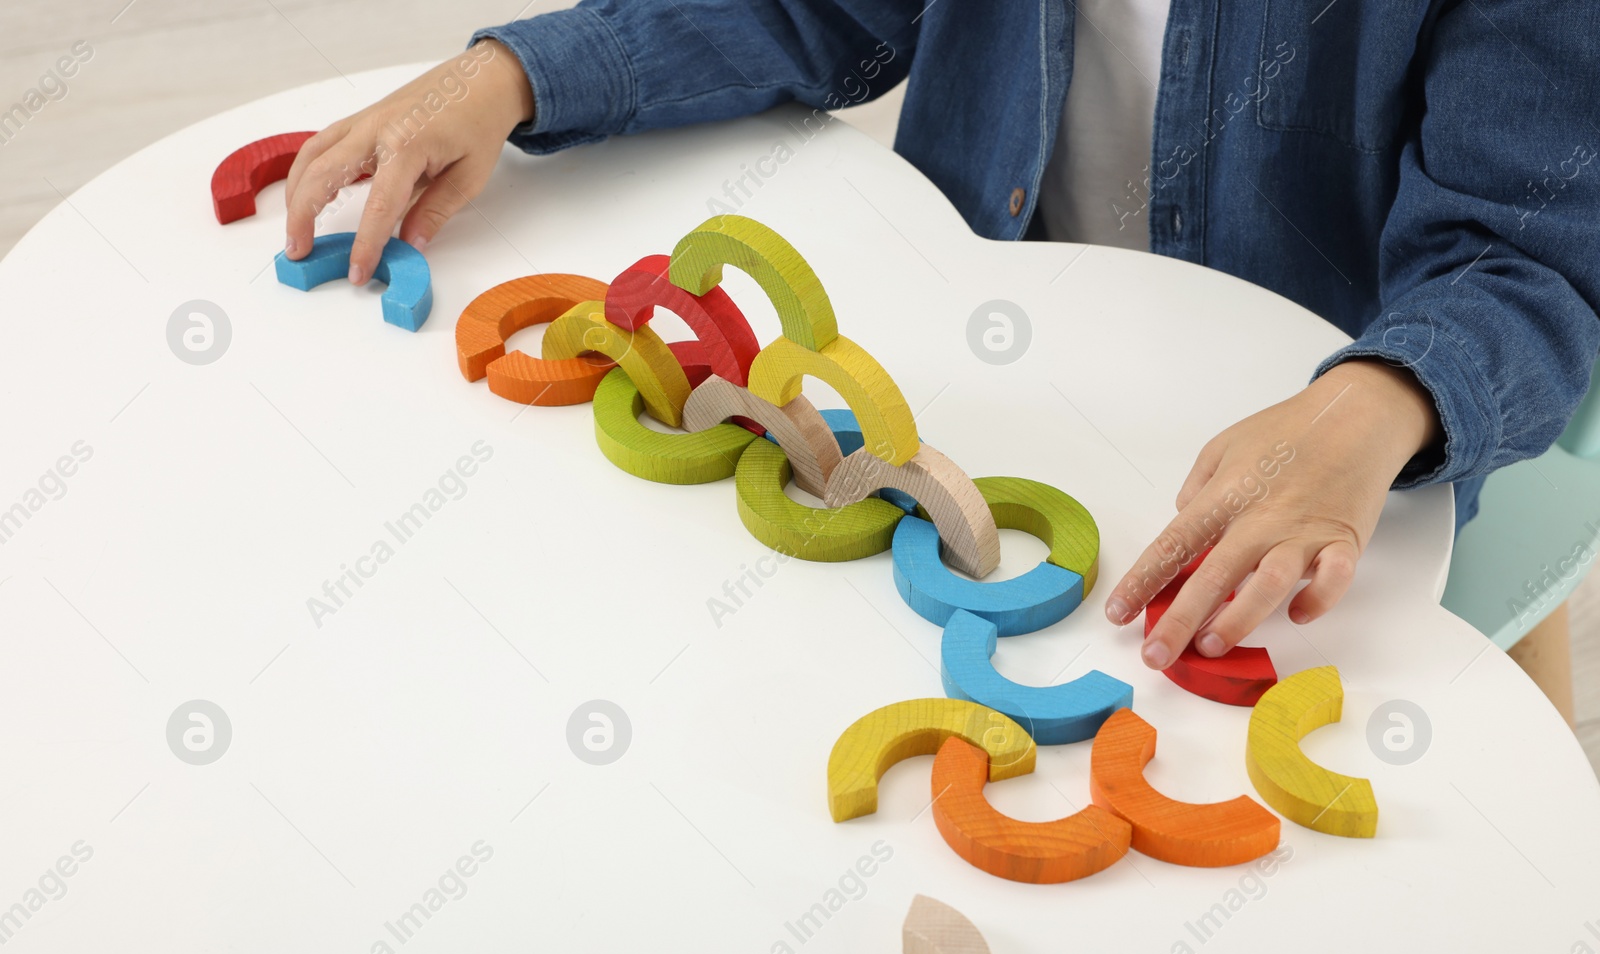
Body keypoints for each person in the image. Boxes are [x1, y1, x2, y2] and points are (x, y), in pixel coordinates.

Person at [282, 2, 1600, 672]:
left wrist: (1377, 405)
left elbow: (1527, 244)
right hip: (1019, 367)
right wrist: (516, 74)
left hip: (1348, 428)